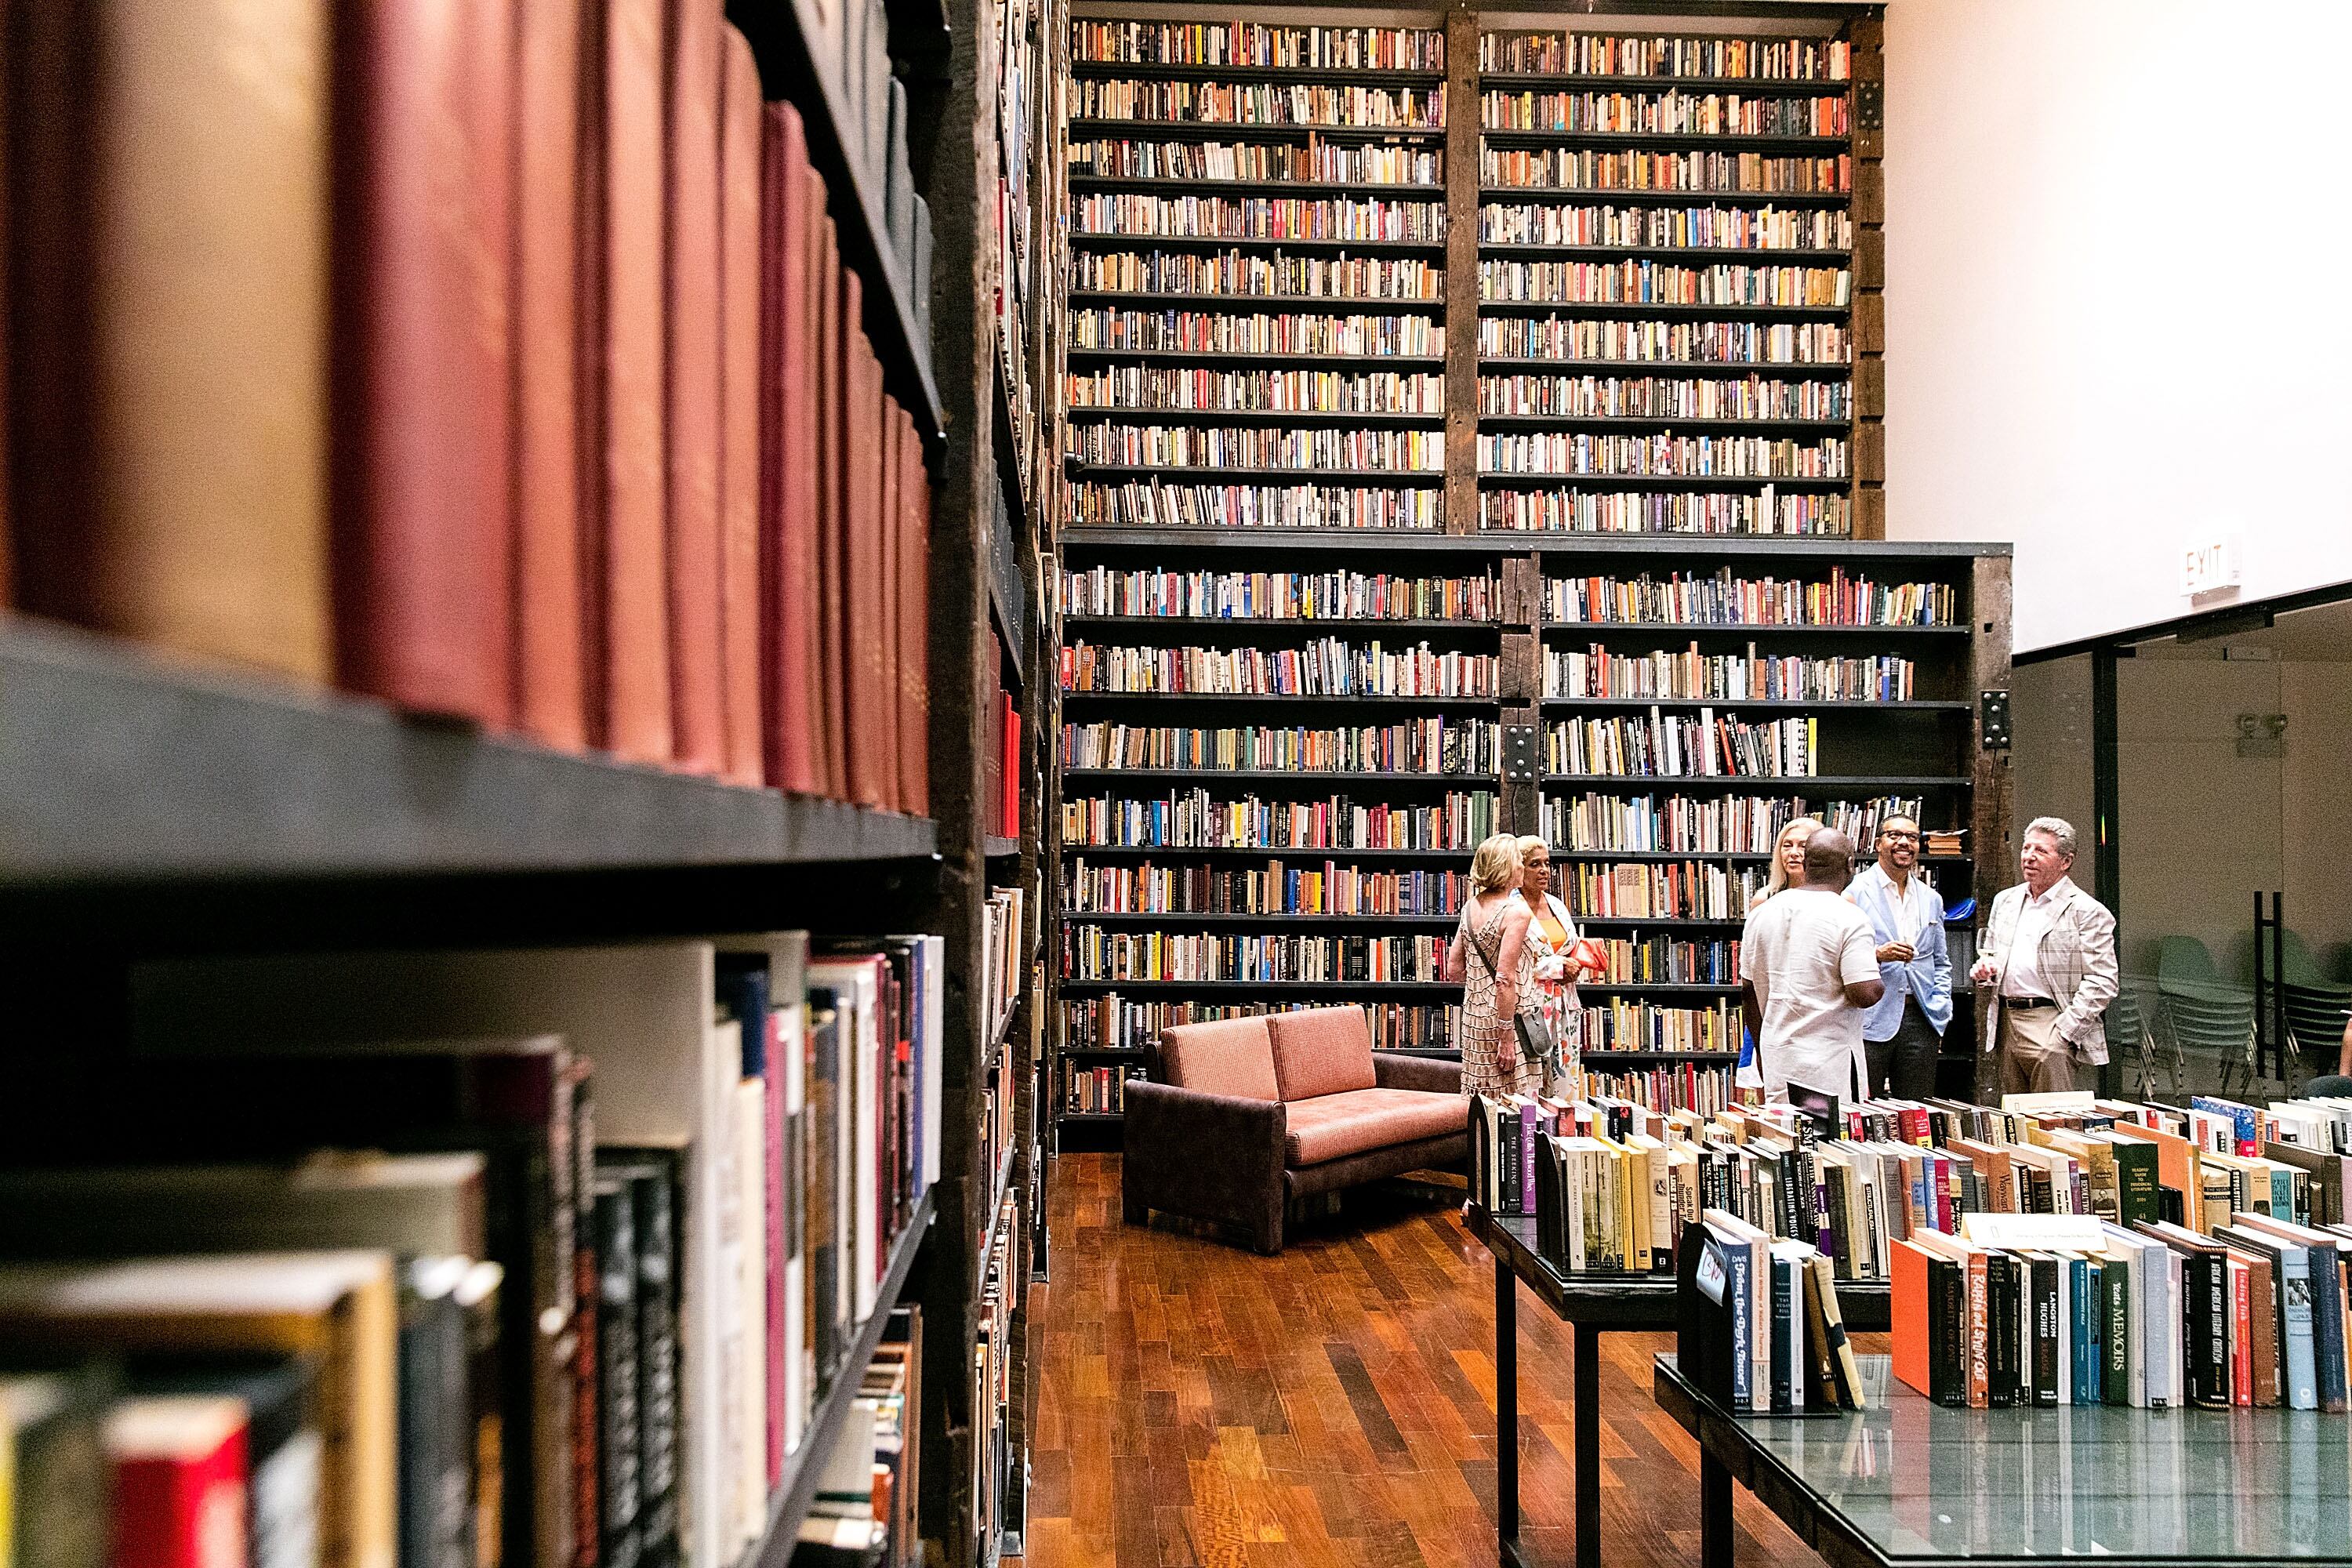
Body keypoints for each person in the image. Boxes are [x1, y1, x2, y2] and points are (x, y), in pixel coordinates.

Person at [1970, 816, 2119, 1095]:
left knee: (2053, 1120)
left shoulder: (2087, 911)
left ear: (2065, 861)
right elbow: (1990, 952)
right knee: (2013, 1122)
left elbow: (2103, 981)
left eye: (2041, 851)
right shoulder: (2006, 901)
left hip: (2051, 1018)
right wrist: (1986, 970)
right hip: (2006, 1019)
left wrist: (2064, 1033)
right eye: (2027, 849)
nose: (2029, 857)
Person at [1740, 827, 1885, 1104]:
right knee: (1835, 1143)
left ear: (1805, 864)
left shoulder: (1761, 914)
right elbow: (1864, 993)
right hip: (1831, 1064)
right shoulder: (1850, 917)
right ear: (1850, 865)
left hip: (1778, 1056)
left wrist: (1762, 1049)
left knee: (1785, 1141)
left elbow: (1748, 991)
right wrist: (1881, 981)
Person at [1845, 814, 1953, 1097]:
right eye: (1894, 835)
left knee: (1916, 1111)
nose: (1904, 842)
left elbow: (1941, 961)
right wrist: (1877, 955)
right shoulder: (1854, 892)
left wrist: (1940, 1006)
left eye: (1913, 837)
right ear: (1878, 843)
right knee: (1862, 1109)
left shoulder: (1931, 898)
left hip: (1921, 1016)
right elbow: (1839, 956)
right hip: (1870, 1017)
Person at [1446, 833, 1544, 1100]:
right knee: (1513, 1103)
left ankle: (1478, 1143)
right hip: (1509, 1019)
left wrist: (1480, 988)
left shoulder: (1469, 908)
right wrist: (1506, 1037)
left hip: (1475, 1019)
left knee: (1480, 1101)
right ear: (1506, 867)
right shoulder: (1517, 912)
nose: (1523, 867)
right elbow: (1505, 979)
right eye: (1518, 862)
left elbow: (1453, 968)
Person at [1514, 833, 1592, 1092]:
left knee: (1565, 1085)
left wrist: (1581, 960)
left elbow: (1571, 945)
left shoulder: (1557, 905)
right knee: (1531, 1083)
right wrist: (1558, 967)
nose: (1544, 870)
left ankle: (1562, 1133)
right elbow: (1514, 961)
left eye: (1547, 863)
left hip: (1566, 1006)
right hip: (1531, 1009)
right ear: (1518, 868)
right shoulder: (1510, 907)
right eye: (1535, 864)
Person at [1748, 815, 1828, 912]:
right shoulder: (1763, 900)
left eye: (1803, 846)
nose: (1793, 852)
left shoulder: (1838, 900)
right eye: (1787, 845)